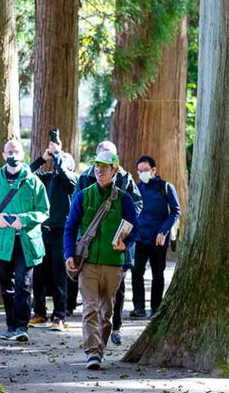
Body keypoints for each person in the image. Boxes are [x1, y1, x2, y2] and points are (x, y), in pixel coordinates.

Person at [64, 151, 138, 370]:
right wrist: (69, 254)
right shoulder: (83, 196)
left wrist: (126, 244)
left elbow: (135, 228)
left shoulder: (124, 199)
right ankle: (92, 352)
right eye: (97, 166)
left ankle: (100, 347)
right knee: (90, 308)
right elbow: (70, 227)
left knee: (107, 312)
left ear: (114, 170)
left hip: (113, 263)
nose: (99, 170)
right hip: (87, 263)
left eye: (105, 167)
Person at [0, 139, 50, 341]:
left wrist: (25, 219)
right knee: (6, 286)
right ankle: (10, 325)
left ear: (23, 155)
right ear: (4, 155)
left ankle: (21, 327)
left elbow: (44, 210)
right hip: (2, 241)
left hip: (26, 241)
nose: (13, 155)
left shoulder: (33, 182)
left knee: (24, 283)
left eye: (17, 151)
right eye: (9, 152)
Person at [28, 141, 78, 331]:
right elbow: (26, 174)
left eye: (63, 160)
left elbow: (65, 176)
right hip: (42, 231)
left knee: (59, 276)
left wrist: (58, 156)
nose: (58, 162)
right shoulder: (47, 177)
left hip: (61, 233)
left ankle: (59, 316)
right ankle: (39, 312)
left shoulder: (72, 179)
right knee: (38, 275)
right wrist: (43, 158)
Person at [130, 155, 181, 318]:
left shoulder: (165, 187)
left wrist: (163, 231)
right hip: (140, 238)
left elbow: (175, 211)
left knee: (158, 274)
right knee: (136, 272)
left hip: (159, 239)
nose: (142, 173)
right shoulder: (136, 188)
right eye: (139, 171)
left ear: (153, 170)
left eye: (145, 170)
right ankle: (139, 307)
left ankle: (156, 308)